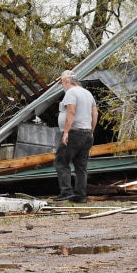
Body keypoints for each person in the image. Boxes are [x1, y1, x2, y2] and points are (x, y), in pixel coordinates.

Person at [53, 70, 98, 203]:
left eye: (62, 82)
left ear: (66, 81)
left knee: (61, 162)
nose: (63, 85)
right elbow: (95, 114)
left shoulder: (71, 92)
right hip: (86, 133)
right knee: (81, 166)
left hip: (74, 132)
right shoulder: (88, 93)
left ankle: (66, 191)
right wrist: (91, 131)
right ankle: (80, 195)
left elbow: (71, 111)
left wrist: (66, 132)